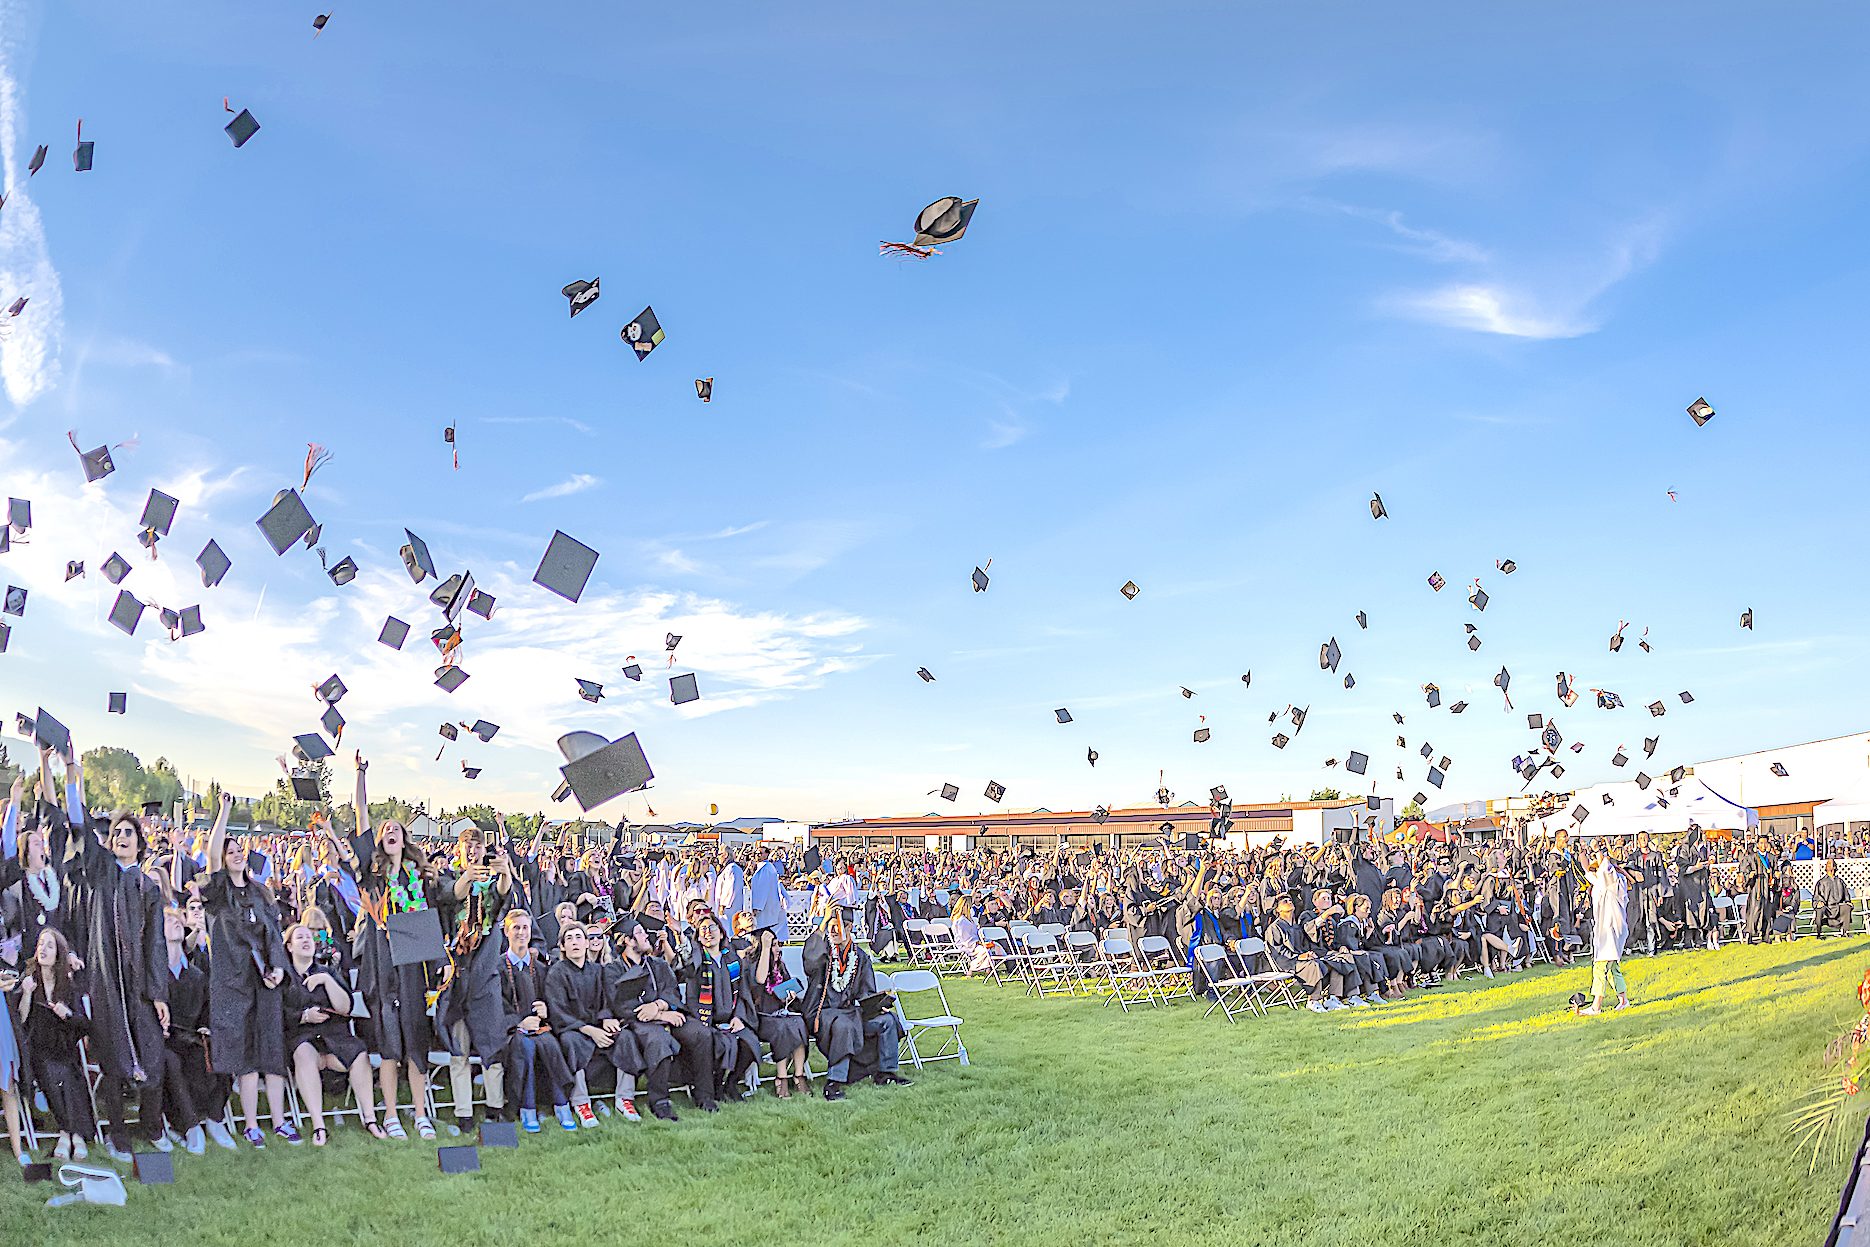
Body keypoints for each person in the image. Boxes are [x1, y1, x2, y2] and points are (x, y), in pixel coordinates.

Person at [328, 753, 442, 1141]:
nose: (390, 828)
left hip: (414, 969)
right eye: (386, 827)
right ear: (380, 841)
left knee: (416, 1043)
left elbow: (449, 898)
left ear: (404, 839)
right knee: (390, 1045)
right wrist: (360, 774)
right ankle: (392, 1114)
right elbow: (361, 815)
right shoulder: (373, 877)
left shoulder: (420, 881)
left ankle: (421, 1114)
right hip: (383, 971)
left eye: (397, 827)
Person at [203, 792, 294, 1146]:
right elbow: (211, 855)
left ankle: (281, 1121)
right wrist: (224, 811)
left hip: (265, 983)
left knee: (271, 1053)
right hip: (234, 983)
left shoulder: (261, 893)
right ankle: (252, 1125)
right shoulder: (219, 893)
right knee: (245, 1058)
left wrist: (280, 970)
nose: (237, 853)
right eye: (231, 851)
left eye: (239, 849)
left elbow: (273, 936)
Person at [281, 923, 376, 1145]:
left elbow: (345, 1008)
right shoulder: (284, 977)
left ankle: (370, 1119)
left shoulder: (327, 971)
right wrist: (304, 1016)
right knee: (303, 1053)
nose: (306, 941)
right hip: (301, 1038)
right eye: (300, 938)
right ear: (289, 946)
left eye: (309, 938)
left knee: (359, 1053)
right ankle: (319, 1126)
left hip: (334, 1038)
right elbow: (277, 1016)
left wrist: (326, 980)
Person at [801, 914, 911, 1100]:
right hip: (823, 1011)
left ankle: (885, 1073)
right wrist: (825, 918)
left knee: (887, 1020)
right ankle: (834, 1082)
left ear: (849, 926)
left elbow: (867, 991)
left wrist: (876, 1007)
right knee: (844, 1025)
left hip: (851, 1011)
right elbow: (810, 963)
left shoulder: (859, 956)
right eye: (830, 926)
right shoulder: (823, 953)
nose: (833, 931)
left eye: (838, 926)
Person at [157, 900, 232, 1153]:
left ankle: (215, 1118)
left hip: (193, 1038)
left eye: (179, 920)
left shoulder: (197, 975)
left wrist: (205, 1028)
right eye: (169, 921)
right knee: (171, 1062)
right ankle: (191, 1127)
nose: (177, 922)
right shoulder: (154, 976)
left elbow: (206, 1011)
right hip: (163, 1042)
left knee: (223, 1051)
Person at [544, 922, 629, 1127]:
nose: (575, 943)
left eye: (579, 938)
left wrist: (607, 1018)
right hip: (572, 1029)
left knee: (625, 1037)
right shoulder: (556, 973)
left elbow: (606, 1001)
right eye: (570, 939)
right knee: (572, 1042)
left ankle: (625, 1098)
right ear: (562, 946)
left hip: (597, 1025)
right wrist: (589, 1030)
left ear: (586, 943)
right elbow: (558, 1012)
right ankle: (582, 1103)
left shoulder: (598, 970)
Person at [496, 909, 573, 1133]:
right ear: (507, 932)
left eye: (525, 928)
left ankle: (562, 1104)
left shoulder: (541, 968)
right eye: (516, 928)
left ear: (531, 932)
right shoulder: (498, 968)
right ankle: (527, 1108)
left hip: (540, 1028)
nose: (521, 932)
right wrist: (518, 1023)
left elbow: (554, 1000)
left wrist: (546, 1008)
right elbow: (495, 1006)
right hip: (510, 1031)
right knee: (525, 1047)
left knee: (551, 1045)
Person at [20, 928, 91, 1159]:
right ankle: (72, 1133)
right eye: (41, 944)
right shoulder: (29, 979)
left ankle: (68, 1134)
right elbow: (21, 1019)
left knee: (70, 1074)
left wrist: (67, 1014)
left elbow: (84, 1025)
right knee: (51, 1073)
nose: (43, 949)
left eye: (50, 945)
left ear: (59, 953)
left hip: (65, 1049)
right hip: (37, 1050)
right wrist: (27, 994)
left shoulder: (68, 985)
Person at [684, 913, 758, 1102]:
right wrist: (706, 1023)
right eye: (703, 930)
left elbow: (743, 993)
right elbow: (692, 999)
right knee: (720, 1043)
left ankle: (731, 1083)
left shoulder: (733, 960)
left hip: (732, 1020)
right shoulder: (697, 961)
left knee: (750, 1043)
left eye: (712, 928)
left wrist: (738, 1017)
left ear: (721, 932)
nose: (708, 933)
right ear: (699, 936)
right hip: (707, 1021)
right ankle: (716, 1084)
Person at [740, 926, 809, 1097]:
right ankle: (781, 1078)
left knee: (798, 1022)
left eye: (779, 945)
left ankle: (798, 1075)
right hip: (760, 1018)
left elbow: (781, 994)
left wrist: (789, 997)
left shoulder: (779, 966)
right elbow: (760, 979)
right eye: (774, 945)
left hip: (780, 1013)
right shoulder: (750, 963)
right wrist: (765, 947)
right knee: (783, 1028)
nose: (778, 949)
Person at [1580, 850, 1631, 1016]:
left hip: (1611, 929)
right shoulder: (1606, 882)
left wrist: (1599, 854)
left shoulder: (1615, 880)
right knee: (1613, 967)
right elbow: (1591, 874)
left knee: (1600, 967)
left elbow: (1605, 870)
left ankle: (1596, 1006)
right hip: (1609, 929)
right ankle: (1623, 1000)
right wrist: (1583, 856)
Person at [1737, 834, 1779, 944]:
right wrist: (1749, 876)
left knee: (1767, 911)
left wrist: (1775, 876)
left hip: (1767, 887)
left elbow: (1775, 872)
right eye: (1761, 843)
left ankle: (1766, 935)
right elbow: (1745, 873)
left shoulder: (1772, 858)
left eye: (1765, 843)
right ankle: (1750, 936)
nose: (1763, 845)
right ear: (1757, 844)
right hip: (1756, 888)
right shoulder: (1751, 858)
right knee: (1754, 911)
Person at [1815, 859, 1853, 938]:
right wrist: (1818, 902)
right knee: (1819, 909)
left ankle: (1845, 932)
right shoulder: (1821, 882)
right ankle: (1818, 934)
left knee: (1847, 907)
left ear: (1835, 867)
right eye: (1827, 863)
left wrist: (1847, 901)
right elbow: (1817, 896)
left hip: (1838, 907)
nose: (1828, 864)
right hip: (1827, 908)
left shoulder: (1840, 881)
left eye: (1830, 863)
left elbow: (1846, 895)